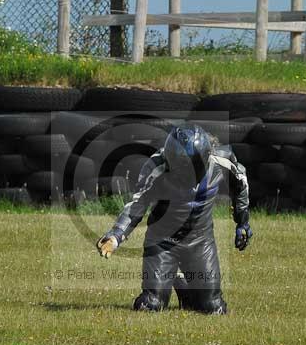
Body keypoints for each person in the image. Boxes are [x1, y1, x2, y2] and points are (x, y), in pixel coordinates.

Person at [96, 124, 251, 314]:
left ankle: (182, 281)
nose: (185, 174)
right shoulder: (156, 166)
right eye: (179, 167)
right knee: (150, 304)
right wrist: (116, 235)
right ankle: (172, 275)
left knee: (213, 307)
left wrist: (242, 222)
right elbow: (138, 202)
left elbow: (241, 183)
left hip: (200, 242)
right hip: (163, 243)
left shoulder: (222, 160)